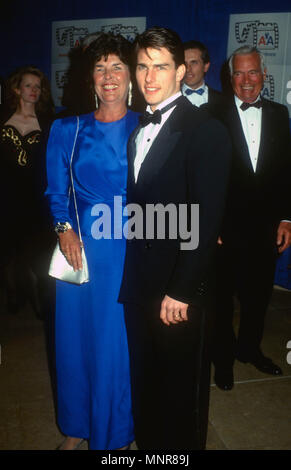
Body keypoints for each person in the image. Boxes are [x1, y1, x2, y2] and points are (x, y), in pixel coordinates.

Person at [118, 27, 231, 450]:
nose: (149, 77)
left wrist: (182, 290)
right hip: (141, 286)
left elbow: (206, 218)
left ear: (181, 71)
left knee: (181, 396)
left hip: (178, 292)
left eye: (161, 67)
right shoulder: (136, 132)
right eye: (143, 66)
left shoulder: (206, 130)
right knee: (146, 386)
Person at [45, 33, 139, 450]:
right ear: (90, 78)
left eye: (117, 66)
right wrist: (63, 228)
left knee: (114, 345)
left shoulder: (149, 125)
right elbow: (55, 189)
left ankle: (114, 433)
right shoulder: (67, 128)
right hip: (79, 252)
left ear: (131, 75)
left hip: (130, 248)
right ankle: (77, 426)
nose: (108, 76)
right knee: (72, 342)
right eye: (100, 68)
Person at [212, 45, 291, 391]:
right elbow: (203, 175)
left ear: (264, 75)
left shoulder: (278, 113)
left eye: (253, 72)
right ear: (230, 78)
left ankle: (249, 350)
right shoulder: (212, 114)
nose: (247, 80)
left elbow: (286, 170)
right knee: (220, 300)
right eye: (240, 73)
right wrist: (209, 223)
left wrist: (287, 218)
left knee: (258, 297)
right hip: (224, 229)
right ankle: (224, 358)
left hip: (265, 228)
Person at [0, 65, 54, 317]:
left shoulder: (49, 123)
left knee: (39, 260)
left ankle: (43, 308)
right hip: (6, 199)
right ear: (16, 89)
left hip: (36, 200)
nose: (34, 90)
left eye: (38, 86)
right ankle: (15, 295)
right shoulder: (3, 118)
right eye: (28, 85)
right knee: (10, 258)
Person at [182, 40, 224, 114]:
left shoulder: (222, 101)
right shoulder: (168, 98)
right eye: (185, 63)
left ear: (206, 67)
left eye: (194, 63)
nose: (188, 69)